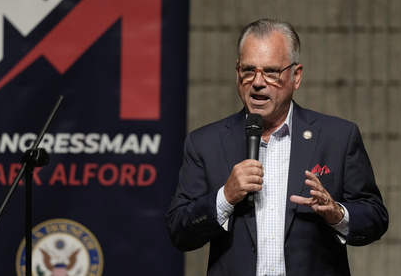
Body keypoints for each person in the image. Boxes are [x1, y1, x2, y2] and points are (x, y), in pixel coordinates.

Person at [165, 18, 388, 275]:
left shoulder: (337, 137)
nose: (258, 82)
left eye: (271, 72)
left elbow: (375, 217)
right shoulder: (205, 143)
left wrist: (336, 213)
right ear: (237, 73)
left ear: (296, 76)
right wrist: (225, 197)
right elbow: (179, 232)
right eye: (248, 70)